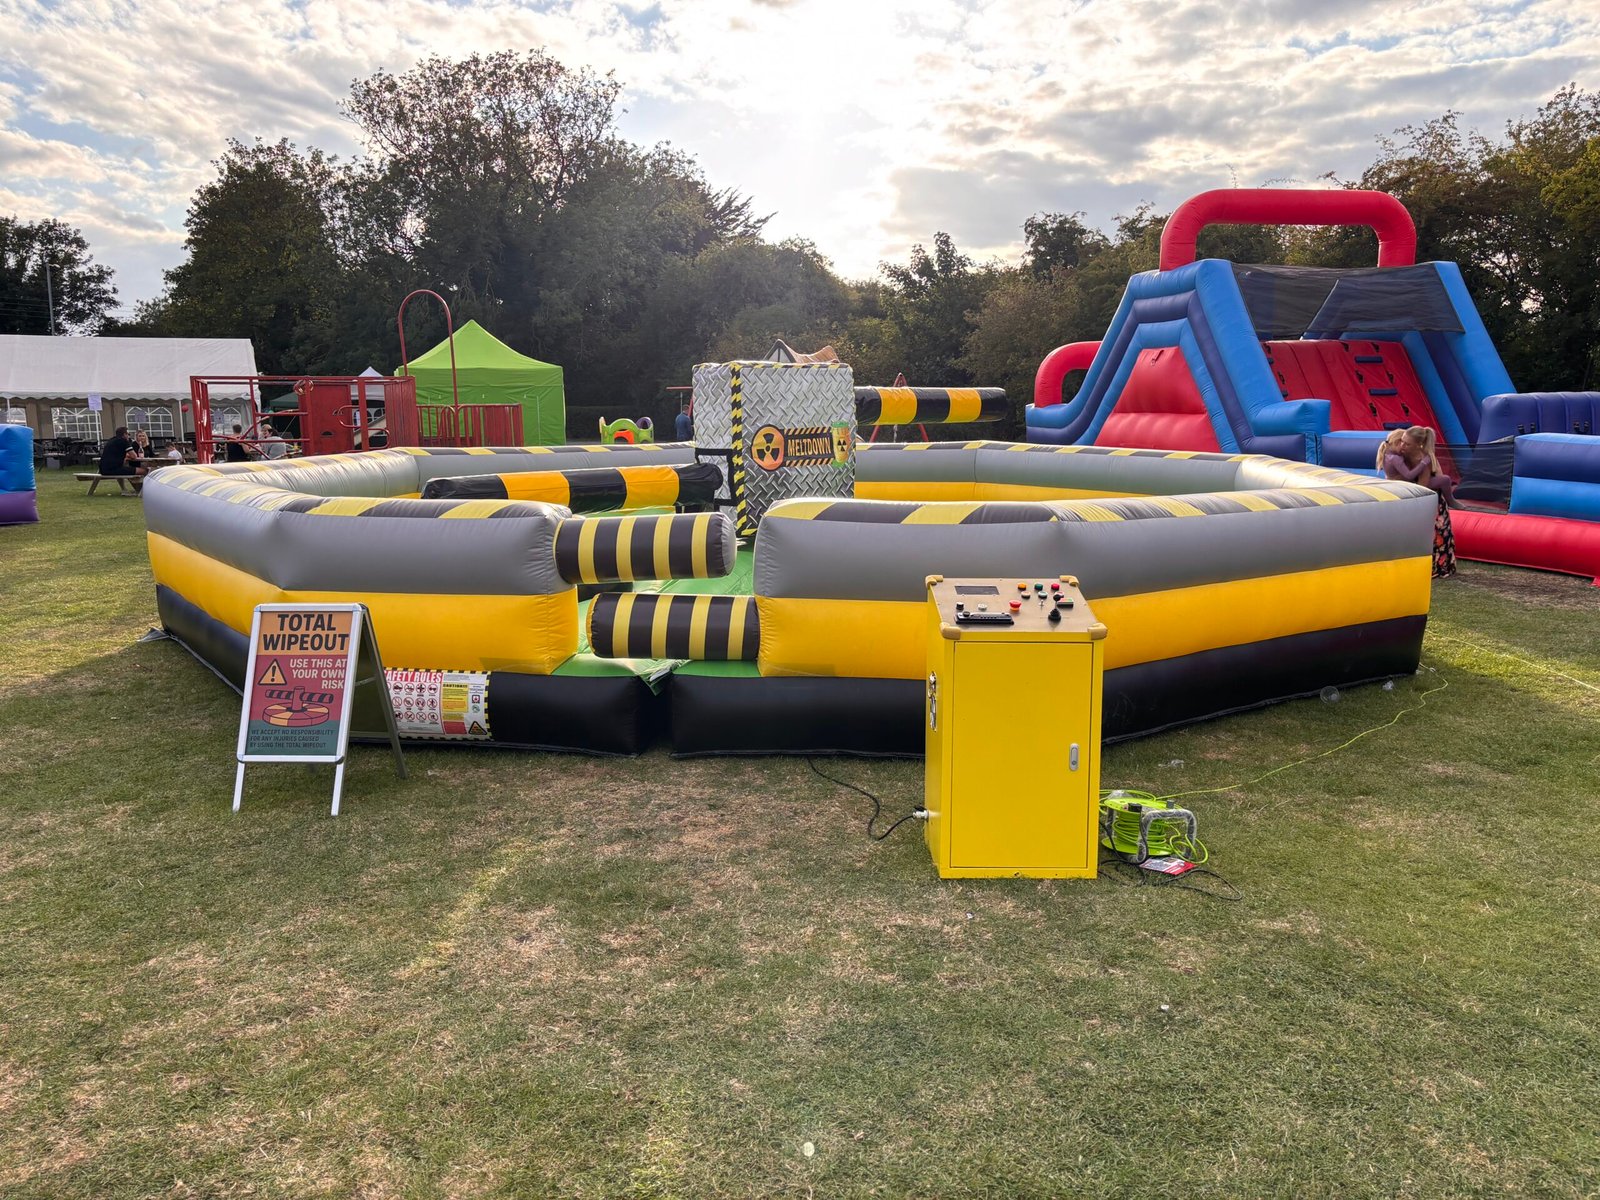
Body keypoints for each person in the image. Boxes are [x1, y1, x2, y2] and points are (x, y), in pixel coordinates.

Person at [1380, 426, 1456, 578]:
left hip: (1430, 499)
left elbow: (1424, 485)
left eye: (1406, 444)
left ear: (1417, 445)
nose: (1402, 446)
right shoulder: (1402, 457)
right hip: (1419, 498)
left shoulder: (1424, 458)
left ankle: (1438, 567)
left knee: (1437, 532)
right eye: (1401, 442)